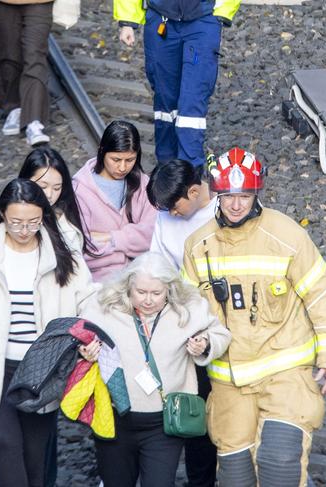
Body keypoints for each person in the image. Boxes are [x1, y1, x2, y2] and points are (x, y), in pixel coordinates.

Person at [181, 147, 326, 487]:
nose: (236, 205)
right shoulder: (198, 245)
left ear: (257, 193)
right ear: (215, 194)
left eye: (244, 196)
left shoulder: (286, 235)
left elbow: (323, 294)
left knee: (279, 462)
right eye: (228, 196)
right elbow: (186, 311)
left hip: (284, 371)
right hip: (228, 381)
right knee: (236, 476)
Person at [0, 178, 96, 487]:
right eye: (16, 223)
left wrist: (88, 337)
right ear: (2, 217)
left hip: (43, 372)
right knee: (8, 445)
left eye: (33, 223)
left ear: (44, 218)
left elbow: (88, 301)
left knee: (36, 458)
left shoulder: (63, 254)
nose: (24, 231)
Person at [79, 252, 231, 487]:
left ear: (169, 289)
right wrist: (85, 350)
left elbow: (221, 335)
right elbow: (79, 333)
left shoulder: (189, 308)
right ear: (128, 286)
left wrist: (205, 343)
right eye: (141, 292)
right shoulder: (105, 307)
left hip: (165, 423)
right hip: (114, 418)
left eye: (156, 293)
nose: (148, 300)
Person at [146, 158, 218, 486]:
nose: (170, 215)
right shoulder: (165, 218)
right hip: (185, 326)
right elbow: (157, 267)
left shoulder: (224, 210)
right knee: (194, 407)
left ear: (194, 191)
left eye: (175, 207)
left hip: (222, 323)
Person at [113, 0, 241, 166]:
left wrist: (222, 12)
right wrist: (127, 21)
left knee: (193, 99)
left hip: (203, 19)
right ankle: (167, 167)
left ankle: (190, 171)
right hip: (161, 19)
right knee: (165, 99)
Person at [73, 120, 157, 281]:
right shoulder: (79, 189)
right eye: (116, 160)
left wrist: (111, 238)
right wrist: (130, 246)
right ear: (102, 152)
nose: (122, 168)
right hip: (97, 280)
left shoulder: (143, 183)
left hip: (143, 276)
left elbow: (153, 234)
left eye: (130, 160)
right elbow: (80, 246)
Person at [0, 0, 53, 146]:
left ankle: (34, 120)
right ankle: (13, 107)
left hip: (40, 3)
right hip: (2, 3)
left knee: (35, 55)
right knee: (8, 56)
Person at [18, 146, 93, 255]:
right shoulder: (7, 216)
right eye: (43, 187)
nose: (49, 195)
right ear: (25, 180)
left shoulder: (66, 220)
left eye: (57, 188)